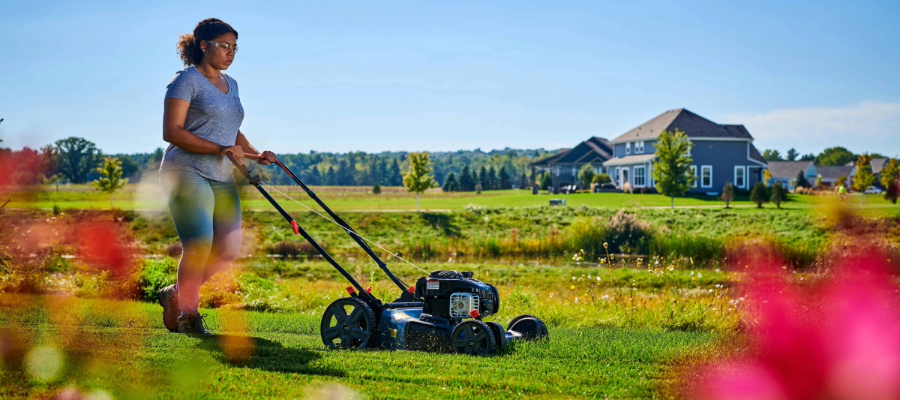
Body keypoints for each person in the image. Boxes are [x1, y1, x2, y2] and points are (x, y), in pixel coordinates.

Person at [158, 18, 275, 334]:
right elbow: (172, 131)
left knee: (227, 249)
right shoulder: (185, 81)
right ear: (203, 45)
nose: (230, 53)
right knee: (198, 245)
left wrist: (255, 153)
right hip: (186, 171)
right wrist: (219, 148)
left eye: (234, 47)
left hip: (221, 175)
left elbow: (231, 130)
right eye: (224, 45)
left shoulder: (231, 84)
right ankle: (189, 317)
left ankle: (176, 294)